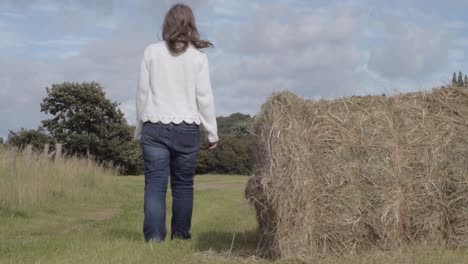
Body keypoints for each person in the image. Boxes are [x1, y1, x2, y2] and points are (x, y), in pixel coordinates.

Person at [133, 3, 219, 243]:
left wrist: (139, 129)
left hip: (153, 126)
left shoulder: (151, 52)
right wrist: (212, 133)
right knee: (182, 186)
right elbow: (205, 97)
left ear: (166, 25)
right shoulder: (198, 58)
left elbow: (142, 94)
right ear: (191, 25)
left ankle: (154, 240)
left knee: (155, 186)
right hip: (187, 129)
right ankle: (180, 237)